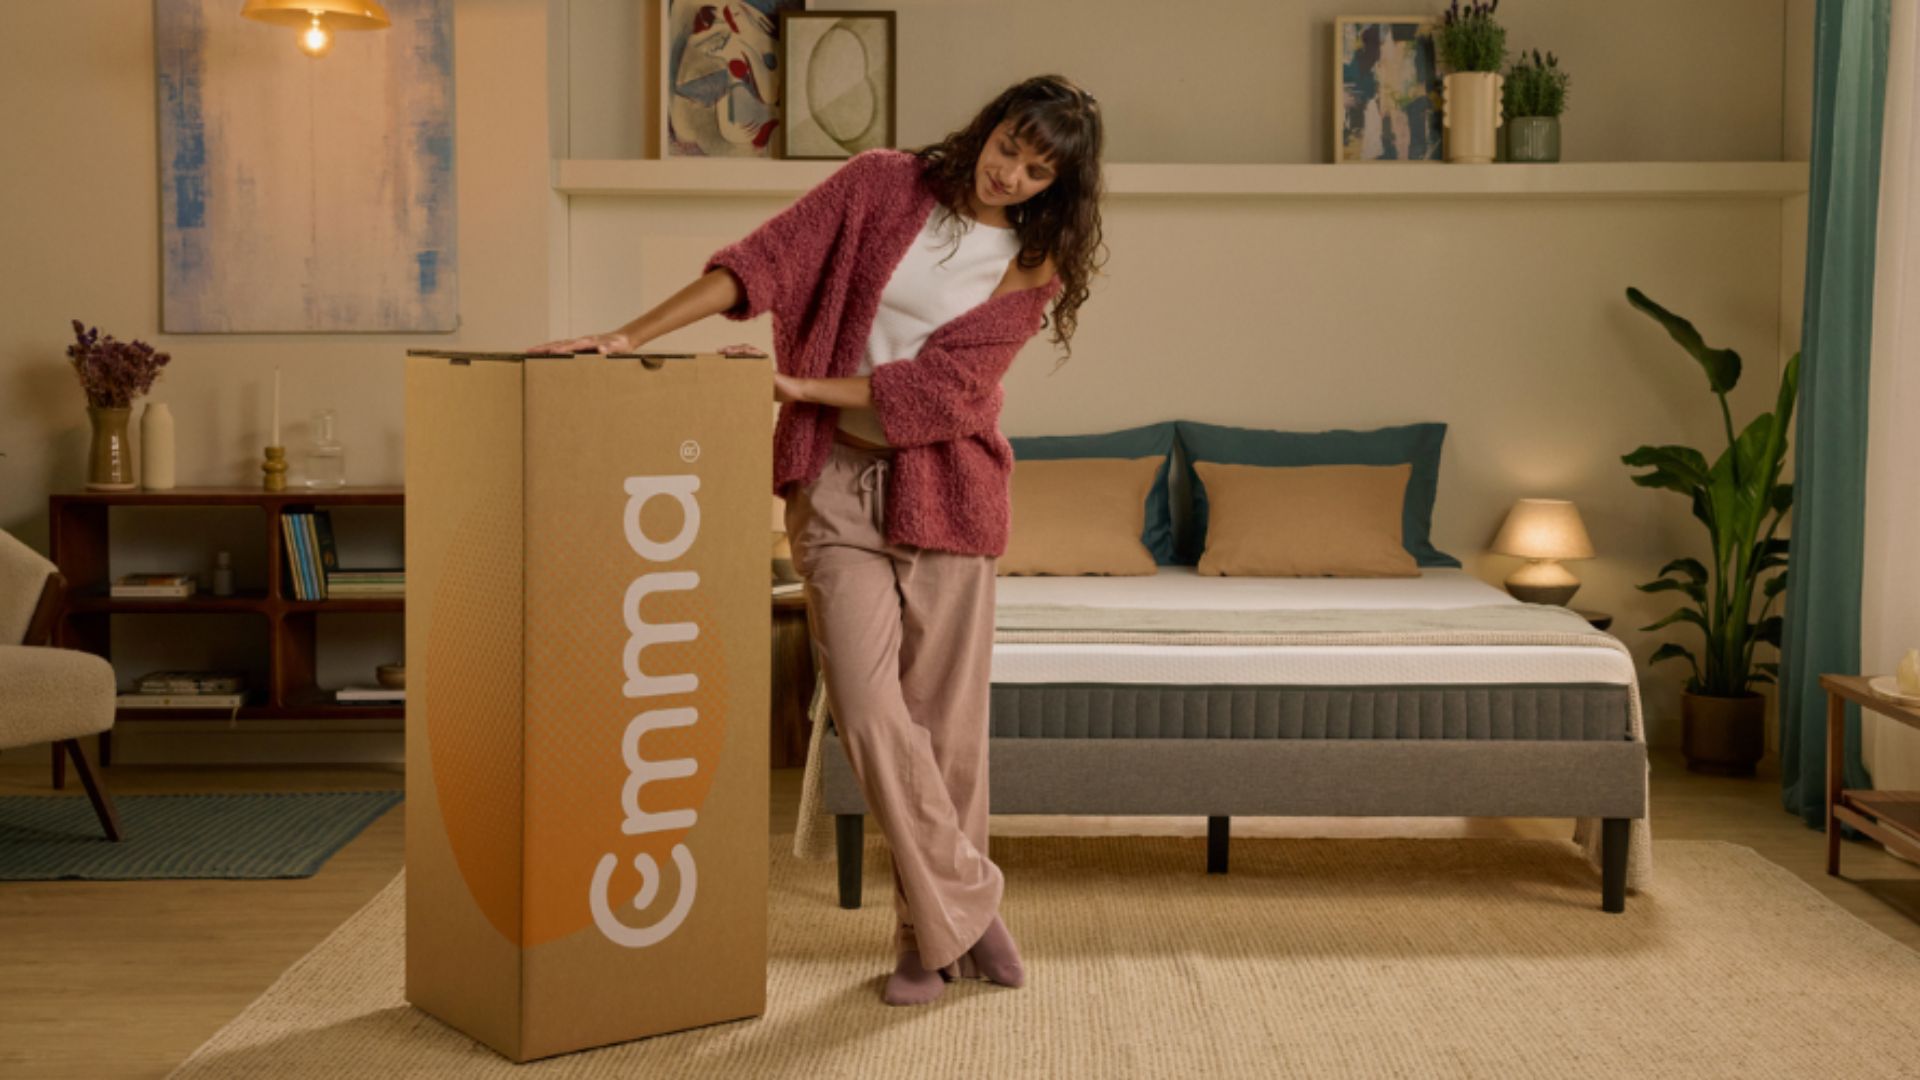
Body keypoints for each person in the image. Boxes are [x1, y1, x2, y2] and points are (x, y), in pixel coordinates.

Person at [529, 74, 1105, 1007]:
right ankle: (971, 909)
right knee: (870, 712)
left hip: (950, 494)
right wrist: (627, 335)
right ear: (988, 125)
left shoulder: (1035, 264)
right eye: (1009, 147)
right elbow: (760, 265)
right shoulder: (882, 184)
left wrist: (796, 388)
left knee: (948, 739)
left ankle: (923, 943)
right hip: (834, 482)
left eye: (1037, 172)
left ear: (1057, 187)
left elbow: (946, 394)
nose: (1011, 175)